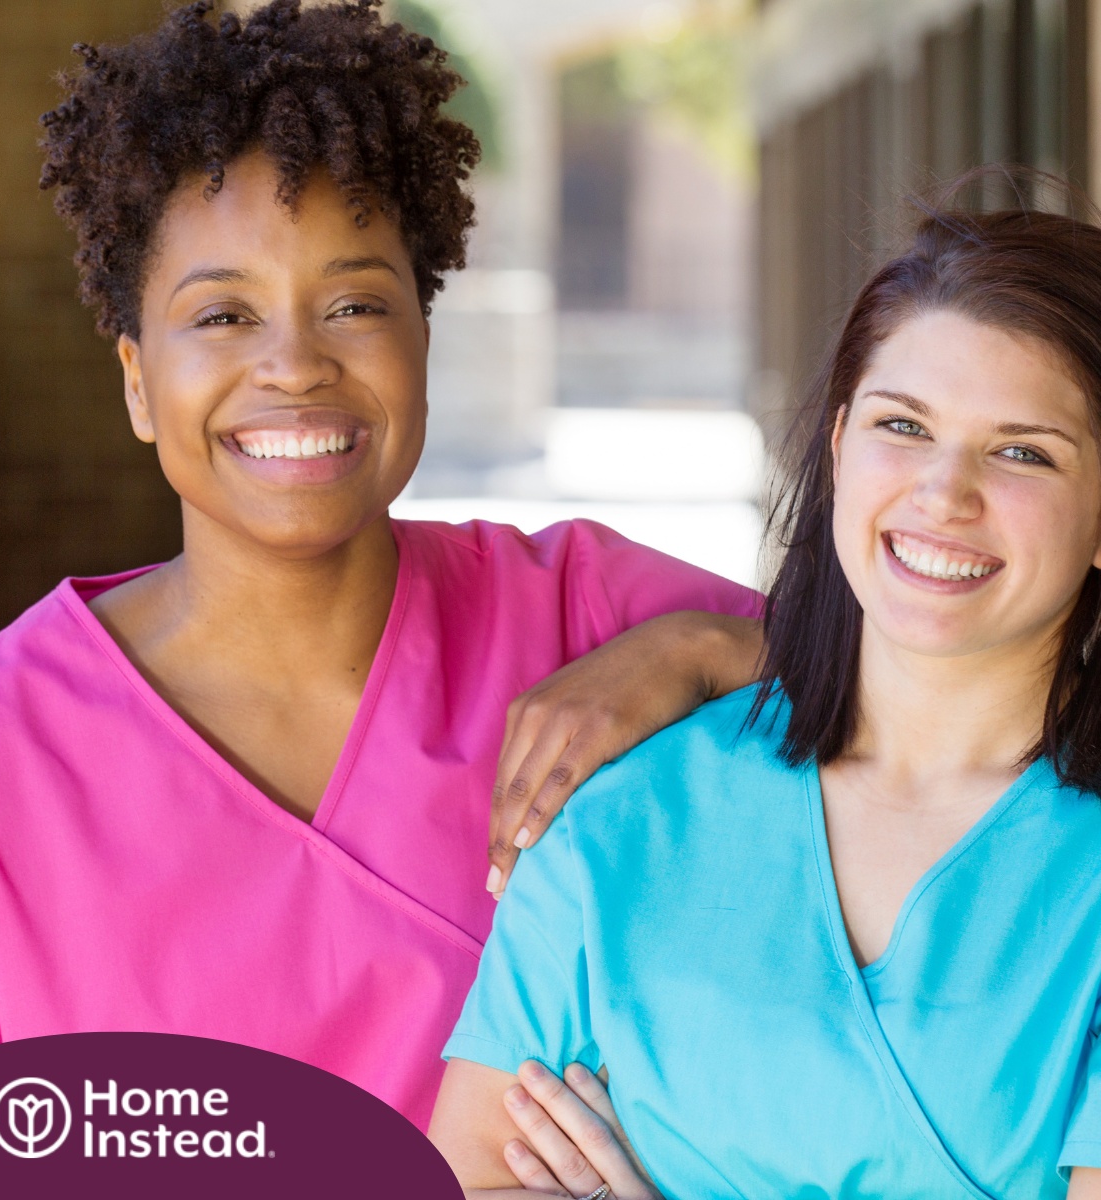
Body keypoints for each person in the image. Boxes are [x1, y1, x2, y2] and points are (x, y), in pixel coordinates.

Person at [0, 0, 761, 1132]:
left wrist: (706, 651)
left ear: (421, 338)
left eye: (355, 303)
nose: (295, 365)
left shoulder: (588, 618)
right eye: (221, 315)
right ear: (135, 381)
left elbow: (969, 699)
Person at [430, 191, 1101, 1197]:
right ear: (837, 450)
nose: (943, 492)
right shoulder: (621, 820)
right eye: (903, 425)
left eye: (1022, 451)